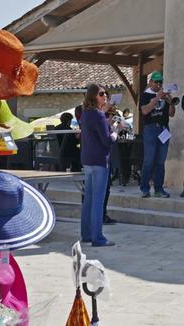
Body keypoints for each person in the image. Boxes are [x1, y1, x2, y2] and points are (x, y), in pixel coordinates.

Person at [79, 84, 117, 247]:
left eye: (106, 94)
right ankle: (98, 238)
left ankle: (86, 234)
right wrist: (115, 131)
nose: (105, 96)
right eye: (101, 94)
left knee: (88, 199)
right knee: (98, 201)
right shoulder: (98, 115)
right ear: (94, 96)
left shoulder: (86, 114)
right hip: (100, 161)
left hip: (87, 160)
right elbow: (107, 140)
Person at [139, 71, 175, 198]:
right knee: (149, 160)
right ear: (150, 82)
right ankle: (144, 188)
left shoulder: (164, 95)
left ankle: (159, 188)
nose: (159, 84)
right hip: (150, 129)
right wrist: (157, 98)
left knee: (160, 161)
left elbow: (171, 114)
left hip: (164, 129)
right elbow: (144, 111)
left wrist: (170, 102)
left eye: (161, 82)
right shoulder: (145, 95)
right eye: (156, 81)